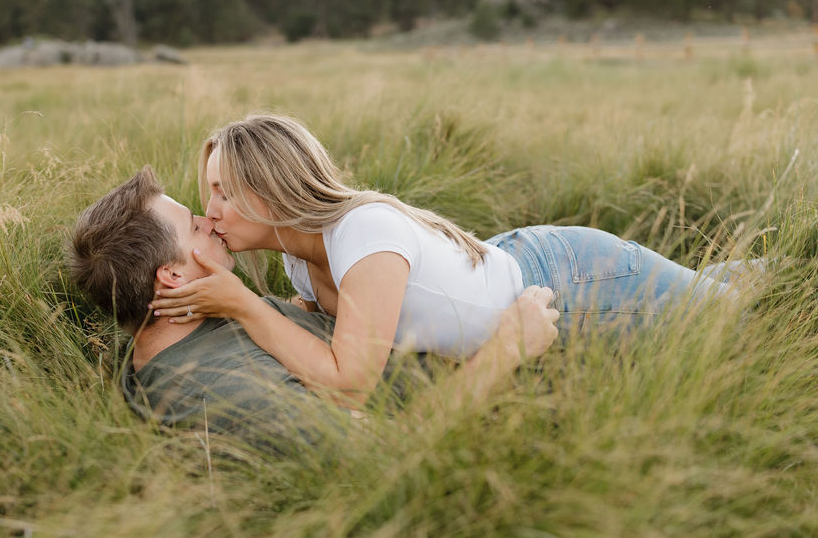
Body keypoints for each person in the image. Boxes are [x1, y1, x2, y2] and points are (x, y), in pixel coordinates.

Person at [149, 114, 746, 408]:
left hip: (572, 280)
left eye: (224, 190)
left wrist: (245, 306)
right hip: (519, 272)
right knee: (717, 294)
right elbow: (324, 345)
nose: (211, 209)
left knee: (743, 314)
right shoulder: (301, 263)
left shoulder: (361, 232)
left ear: (272, 187)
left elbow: (350, 379)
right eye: (210, 193)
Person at [67, 167, 560, 440]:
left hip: (496, 275)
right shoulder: (224, 392)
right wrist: (509, 349)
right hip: (533, 338)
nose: (207, 218)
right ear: (171, 276)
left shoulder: (173, 330)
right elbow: (388, 451)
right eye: (192, 225)